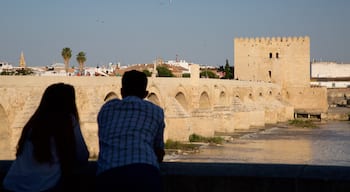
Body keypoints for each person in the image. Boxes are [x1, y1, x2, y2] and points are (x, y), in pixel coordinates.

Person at [2, 83, 90, 192]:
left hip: (11, 184)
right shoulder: (67, 121)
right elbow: (83, 155)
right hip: (42, 187)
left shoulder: (33, 123)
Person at [96, 70, 165, 192]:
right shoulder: (156, 111)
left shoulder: (107, 108)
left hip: (109, 175)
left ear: (122, 92)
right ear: (146, 94)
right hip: (145, 174)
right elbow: (159, 152)